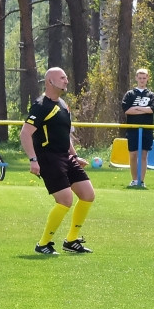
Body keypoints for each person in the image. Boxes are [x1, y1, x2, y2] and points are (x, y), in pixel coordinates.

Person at [20, 67, 95, 255]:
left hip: (66, 156)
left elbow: (65, 135)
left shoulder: (63, 104)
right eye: (62, 78)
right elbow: (25, 134)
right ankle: (43, 243)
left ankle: (71, 240)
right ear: (50, 81)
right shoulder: (40, 105)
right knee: (65, 200)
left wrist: (75, 156)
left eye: (66, 77)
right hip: (48, 158)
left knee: (88, 194)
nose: (66, 80)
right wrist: (33, 160)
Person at [122, 68, 154, 188]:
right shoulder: (130, 94)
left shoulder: (151, 95)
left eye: (144, 78)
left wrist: (137, 108)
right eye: (140, 78)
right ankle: (134, 180)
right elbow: (127, 110)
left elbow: (153, 109)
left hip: (146, 129)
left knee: (143, 155)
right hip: (133, 129)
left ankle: (141, 181)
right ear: (136, 78)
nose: (142, 80)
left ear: (147, 78)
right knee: (133, 155)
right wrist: (144, 110)